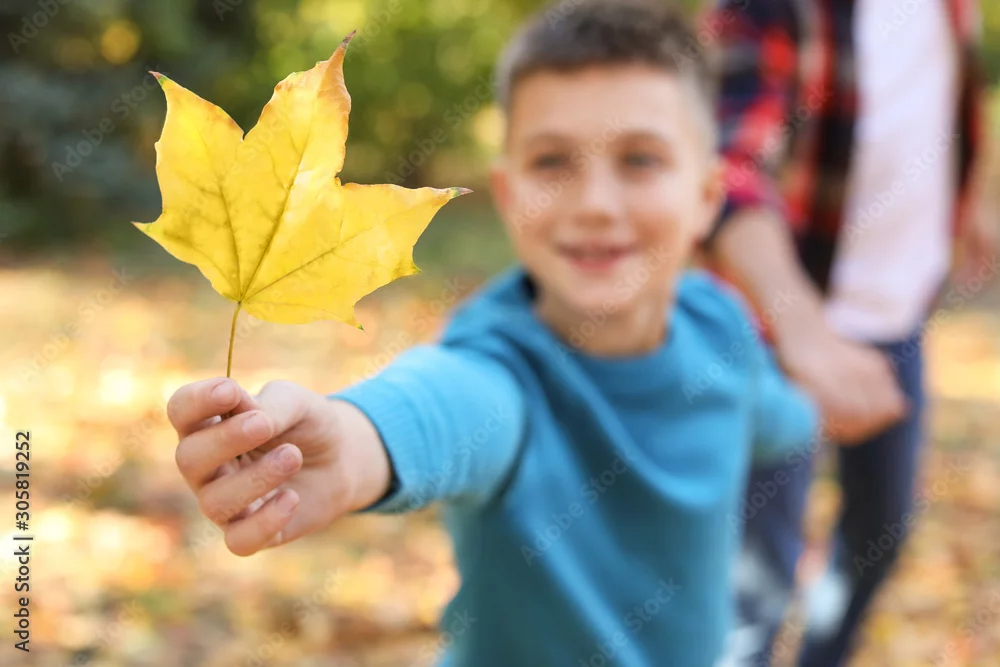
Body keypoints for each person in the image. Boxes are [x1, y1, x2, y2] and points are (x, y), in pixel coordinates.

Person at [164, 1, 824, 664]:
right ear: (507, 194)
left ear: (708, 197)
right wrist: (350, 441)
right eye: (552, 161)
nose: (595, 203)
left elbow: (777, 416)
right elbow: (450, 404)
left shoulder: (719, 328)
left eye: (640, 159)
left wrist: (827, 402)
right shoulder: (504, 362)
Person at [703, 0, 993, 665]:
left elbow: (947, 97)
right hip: (772, 335)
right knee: (753, 591)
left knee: (877, 538)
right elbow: (728, 169)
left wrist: (973, 199)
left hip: (897, 320)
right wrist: (801, 329)